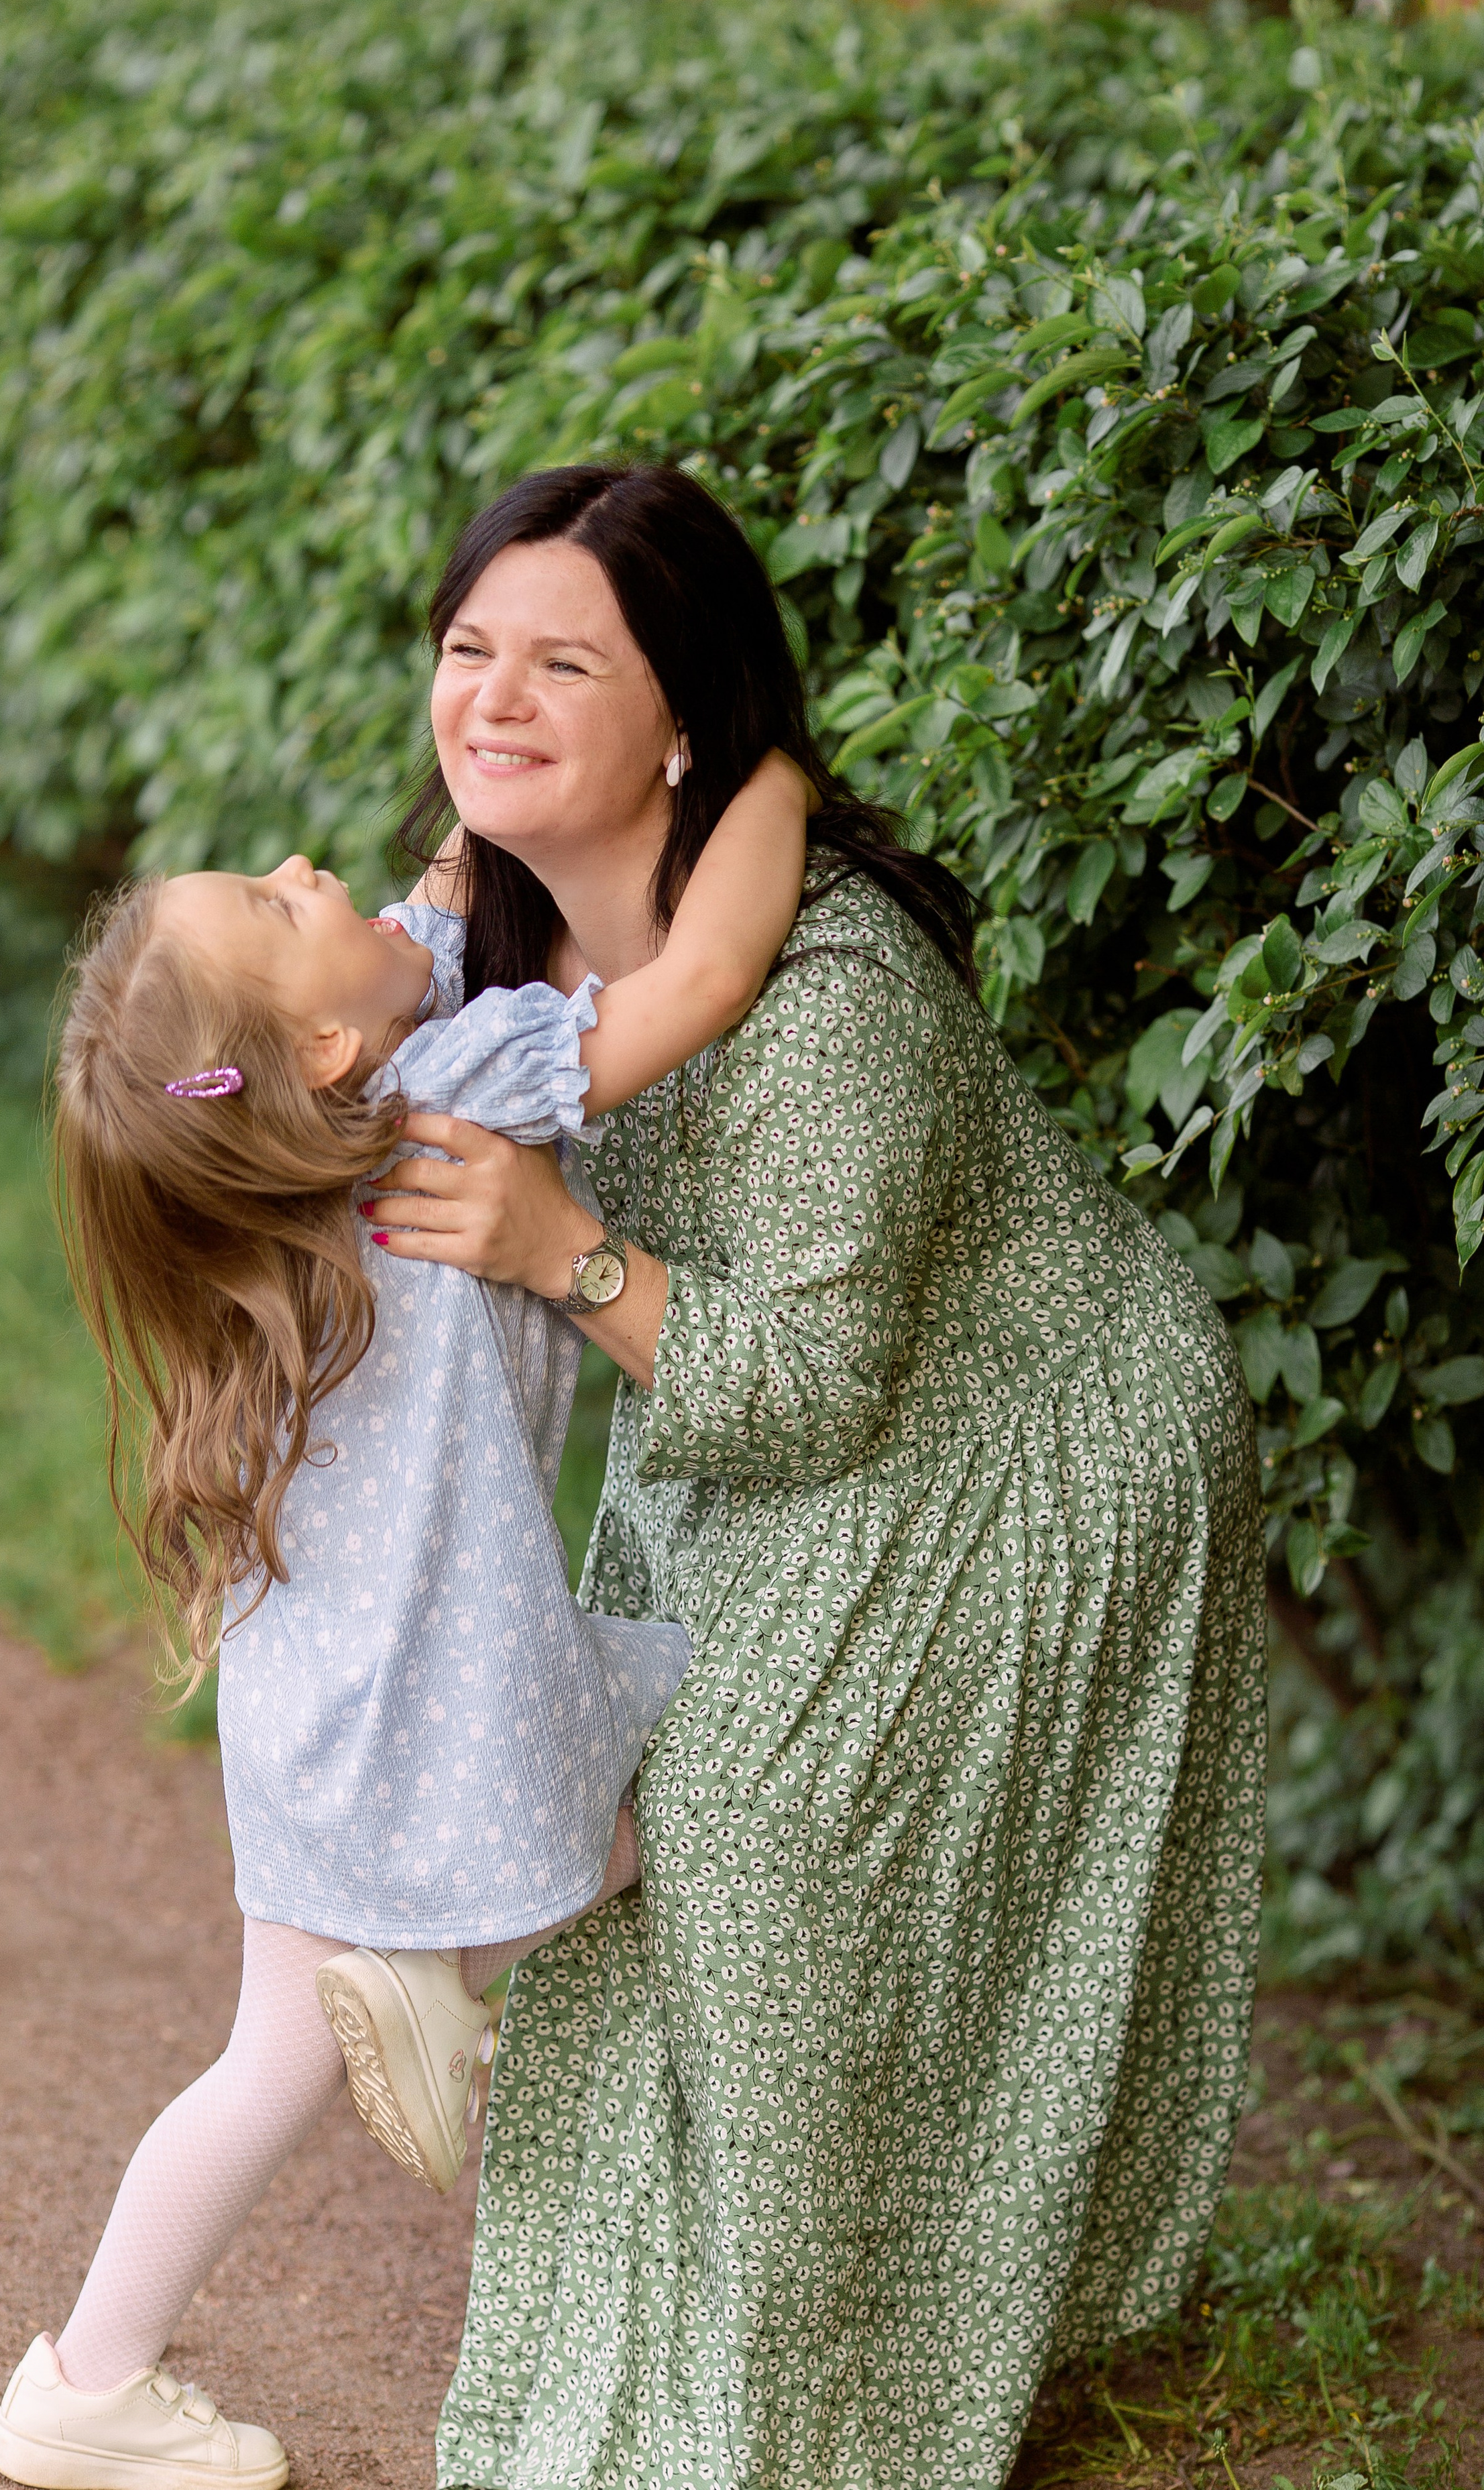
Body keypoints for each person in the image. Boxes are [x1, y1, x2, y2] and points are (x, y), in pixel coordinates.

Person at [361, 461, 1267, 2488]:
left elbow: (817, 1387)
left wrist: (554, 1249)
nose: (494, 700)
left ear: (680, 718)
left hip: (1027, 1445)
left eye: (563, 664)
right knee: (609, 1768)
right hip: (765, 1404)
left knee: (747, 1812)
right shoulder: (491, 926)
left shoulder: (833, 999)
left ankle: (816, 2398)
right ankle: (626, 2345)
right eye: (466, 649)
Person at [0, 740, 813, 2489]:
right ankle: (441, 1966)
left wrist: (497, 758)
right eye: (284, 905)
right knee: (696, 1776)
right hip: (452, 1679)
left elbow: (441, 889)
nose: (307, 862)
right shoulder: (470, 1094)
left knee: (266, 2058)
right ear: (326, 1052)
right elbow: (713, 975)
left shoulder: (300, 1142)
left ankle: (90, 2372)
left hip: (311, 1703)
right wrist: (772, 761)